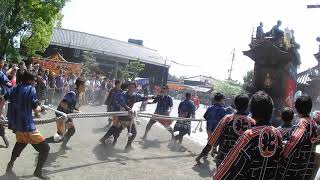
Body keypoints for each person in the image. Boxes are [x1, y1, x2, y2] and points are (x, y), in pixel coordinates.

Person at [214, 91, 283, 180]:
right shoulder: (278, 134)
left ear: (251, 110)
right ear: (271, 111)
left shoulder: (250, 135)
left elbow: (231, 166)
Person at [5, 71, 50, 179]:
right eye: (34, 80)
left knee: (21, 143)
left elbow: (5, 97)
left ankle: (10, 165)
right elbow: (36, 110)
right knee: (45, 149)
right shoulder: (31, 89)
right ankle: (38, 172)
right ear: (29, 80)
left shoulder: (15, 88)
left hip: (17, 125)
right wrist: (42, 108)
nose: (35, 83)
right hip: (27, 126)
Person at [195, 94, 255, 166]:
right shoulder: (252, 122)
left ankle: (202, 156)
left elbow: (214, 137)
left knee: (211, 142)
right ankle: (209, 152)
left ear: (235, 105)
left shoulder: (227, 118)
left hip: (223, 159)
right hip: (241, 162)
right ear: (247, 105)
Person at [275, 95, 319, 180]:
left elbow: (291, 146)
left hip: (294, 170)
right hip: (306, 168)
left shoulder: (302, 124)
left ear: (296, 108)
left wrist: (283, 150)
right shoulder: (314, 124)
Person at [101, 82, 149, 151]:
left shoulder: (135, 95)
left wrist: (153, 97)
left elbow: (143, 98)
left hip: (128, 115)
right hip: (121, 114)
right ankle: (106, 140)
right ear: (127, 87)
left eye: (132, 87)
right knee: (116, 130)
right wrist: (128, 109)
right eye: (129, 87)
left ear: (135, 89)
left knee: (128, 131)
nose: (130, 88)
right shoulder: (123, 94)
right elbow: (122, 102)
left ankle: (127, 145)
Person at [45, 78, 86, 150]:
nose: (85, 87)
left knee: (71, 130)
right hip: (61, 116)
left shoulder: (76, 94)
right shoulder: (72, 94)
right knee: (59, 137)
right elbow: (63, 104)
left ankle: (63, 145)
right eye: (84, 85)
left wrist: (76, 111)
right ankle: (43, 142)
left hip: (66, 116)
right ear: (80, 85)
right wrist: (75, 112)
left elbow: (71, 106)